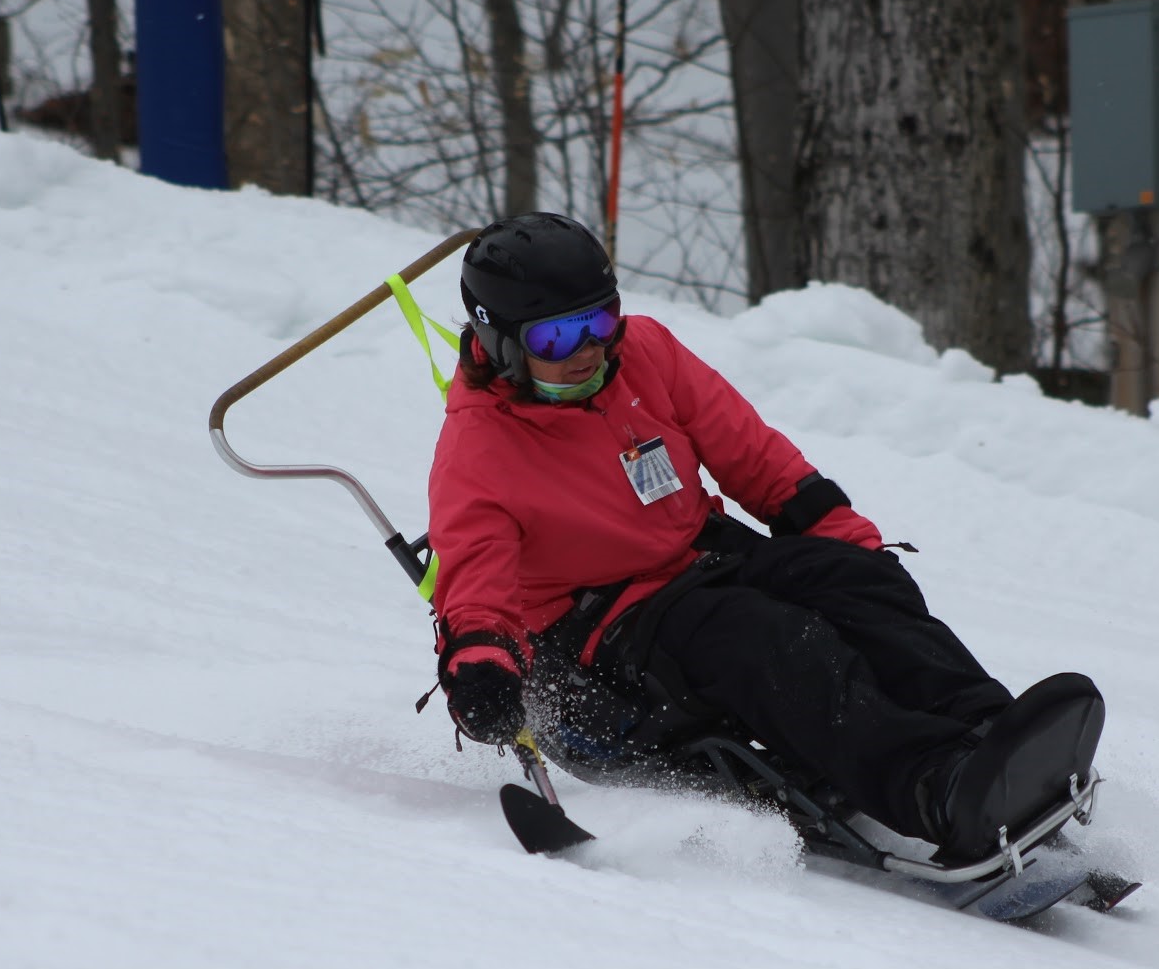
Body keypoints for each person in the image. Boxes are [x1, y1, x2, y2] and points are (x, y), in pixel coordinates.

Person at [427, 212, 1099, 861]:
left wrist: (838, 535)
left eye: (601, 322)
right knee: (775, 640)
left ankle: (991, 739)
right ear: (503, 343)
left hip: (705, 553)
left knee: (855, 583)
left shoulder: (645, 353)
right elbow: (474, 586)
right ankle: (934, 790)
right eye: (555, 339)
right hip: (612, 630)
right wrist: (480, 670)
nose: (587, 351)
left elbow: (751, 453)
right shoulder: (478, 452)